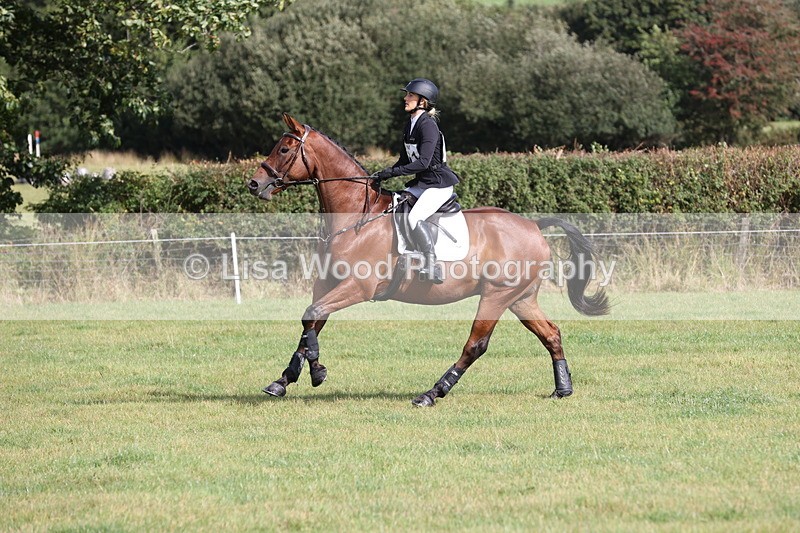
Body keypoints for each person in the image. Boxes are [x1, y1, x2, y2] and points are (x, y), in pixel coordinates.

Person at [376, 78, 459, 284]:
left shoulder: (428, 125)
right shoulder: (410, 125)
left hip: (438, 185)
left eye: (410, 95)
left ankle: (432, 265)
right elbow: (405, 160)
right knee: (396, 206)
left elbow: (422, 163)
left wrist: (392, 173)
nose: (405, 98)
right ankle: (407, 253)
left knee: (415, 218)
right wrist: (381, 174)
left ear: (423, 101)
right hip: (423, 184)